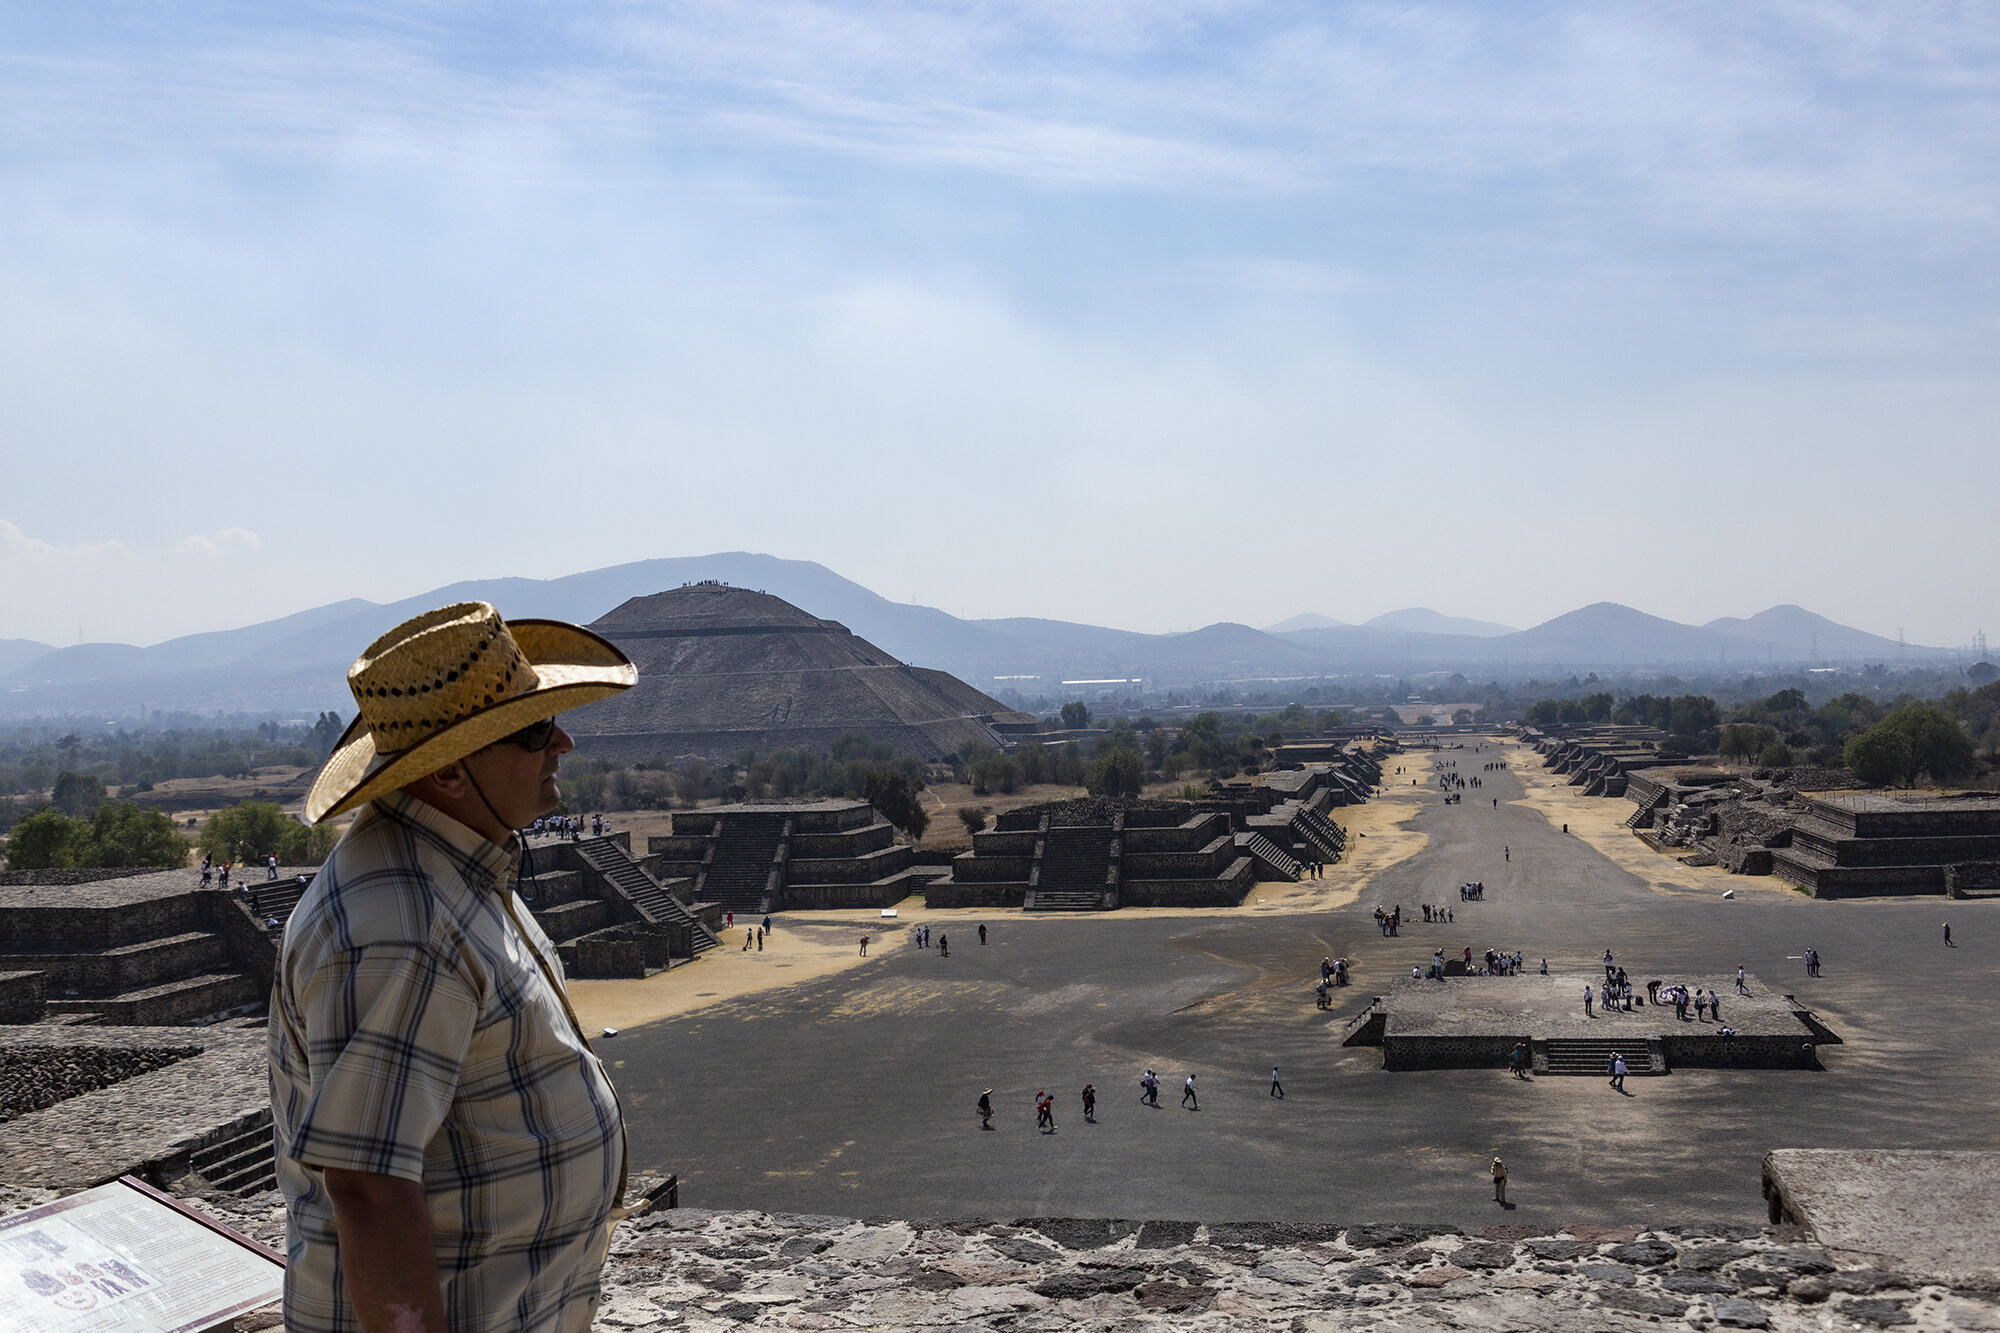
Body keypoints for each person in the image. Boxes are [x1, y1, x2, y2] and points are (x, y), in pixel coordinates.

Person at [272, 601, 637, 1333]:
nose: (561, 741)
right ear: (446, 772)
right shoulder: (403, 927)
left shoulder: (449, 867)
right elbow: (371, 1191)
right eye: (533, 729)